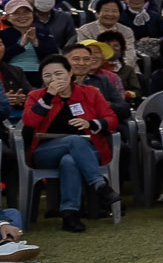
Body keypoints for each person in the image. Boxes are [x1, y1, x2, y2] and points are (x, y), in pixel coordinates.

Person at [21, 53, 117, 232]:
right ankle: (99, 184)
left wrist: (90, 124)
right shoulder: (36, 96)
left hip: (88, 150)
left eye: (58, 74)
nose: (53, 79)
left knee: (69, 160)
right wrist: (49, 96)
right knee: (73, 140)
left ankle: (69, 214)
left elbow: (111, 119)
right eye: (47, 76)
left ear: (70, 72)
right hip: (46, 151)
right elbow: (29, 122)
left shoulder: (89, 93)